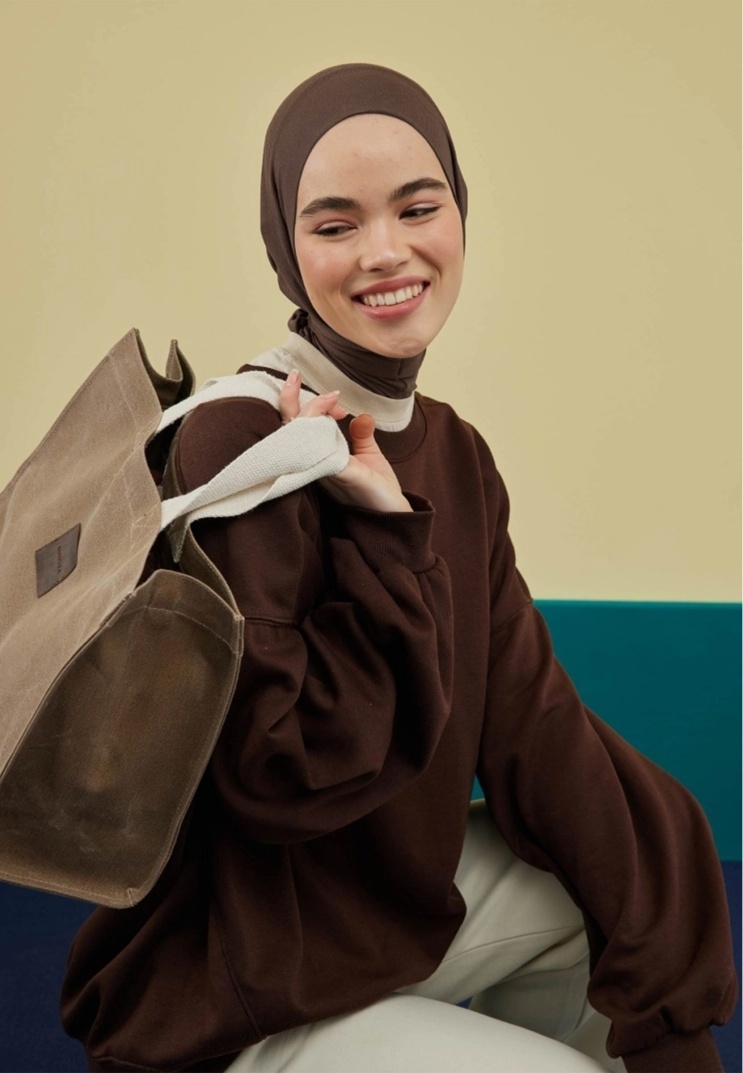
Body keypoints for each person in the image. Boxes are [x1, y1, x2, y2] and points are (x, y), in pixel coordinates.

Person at [61, 63, 736, 1073]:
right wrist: (383, 539)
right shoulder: (240, 441)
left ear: (458, 213)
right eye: (335, 224)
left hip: (362, 934)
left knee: (591, 893)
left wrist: (670, 1012)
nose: (385, 251)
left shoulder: (454, 453)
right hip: (235, 991)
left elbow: (537, 732)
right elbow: (277, 775)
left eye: (418, 208)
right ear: (286, 248)